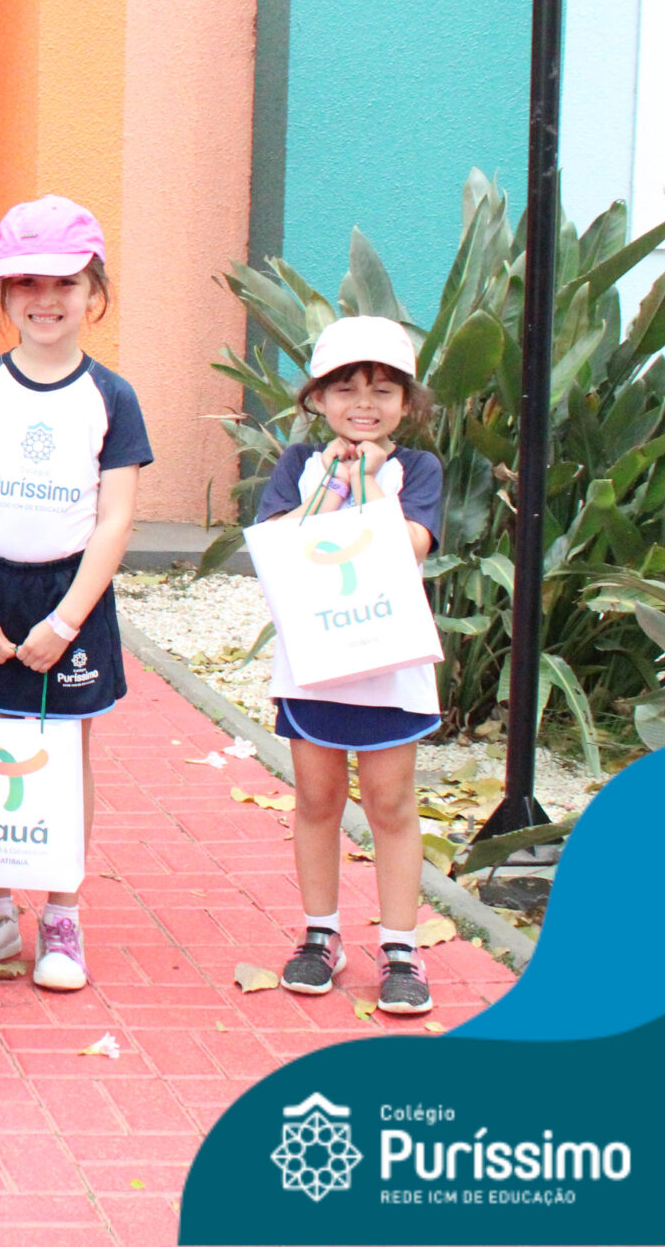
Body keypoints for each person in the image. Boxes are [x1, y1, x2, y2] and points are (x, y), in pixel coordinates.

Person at [0, 196, 150, 992]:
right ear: (1, 293)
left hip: (71, 599)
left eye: (64, 282)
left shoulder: (112, 397)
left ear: (95, 291)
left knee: (64, 753)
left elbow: (115, 518)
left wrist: (65, 618)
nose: (45, 299)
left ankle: (62, 913)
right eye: (25, 282)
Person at [259, 316, 444, 1016]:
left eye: (383, 390)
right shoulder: (297, 465)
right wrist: (331, 488)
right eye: (345, 388)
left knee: (391, 804)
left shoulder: (417, 470)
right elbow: (277, 542)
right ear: (317, 398)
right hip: (315, 661)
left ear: (407, 403)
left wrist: (367, 483)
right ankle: (320, 935)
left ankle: (400, 947)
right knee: (316, 799)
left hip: (388, 663)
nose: (364, 403)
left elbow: (410, 545)